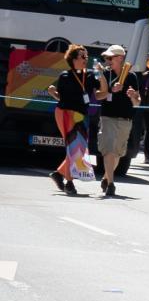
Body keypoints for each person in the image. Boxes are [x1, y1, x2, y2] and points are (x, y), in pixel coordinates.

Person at [94, 45, 141, 198]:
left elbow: (137, 103)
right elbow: (98, 96)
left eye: (110, 57)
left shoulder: (131, 76)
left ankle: (106, 177)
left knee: (118, 153)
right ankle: (111, 184)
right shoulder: (104, 74)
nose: (107, 60)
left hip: (125, 119)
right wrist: (110, 90)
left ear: (120, 58)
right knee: (108, 150)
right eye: (106, 58)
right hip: (108, 117)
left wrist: (133, 96)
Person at [51, 43, 94, 195]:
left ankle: (59, 174)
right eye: (82, 56)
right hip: (65, 113)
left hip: (81, 115)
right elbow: (61, 98)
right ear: (73, 59)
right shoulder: (64, 76)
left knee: (80, 148)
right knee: (73, 147)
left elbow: (103, 90)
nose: (86, 59)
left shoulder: (90, 75)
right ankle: (69, 183)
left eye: (86, 56)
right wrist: (53, 93)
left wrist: (101, 75)